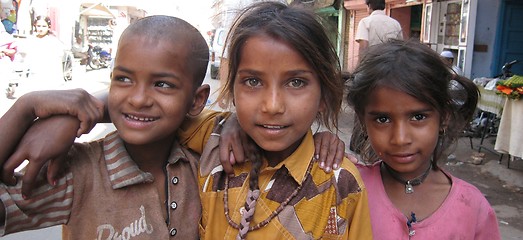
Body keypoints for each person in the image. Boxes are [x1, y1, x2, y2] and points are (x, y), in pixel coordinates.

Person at [0, 15, 211, 238]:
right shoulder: (78, 172)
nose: (138, 99)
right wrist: (25, 108)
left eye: (162, 84)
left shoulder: (203, 165)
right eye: (124, 79)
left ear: (197, 100)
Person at [178, 2, 371, 239]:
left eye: (296, 82)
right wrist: (232, 121)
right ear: (233, 90)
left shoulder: (341, 185)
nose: (272, 106)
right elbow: (154, 117)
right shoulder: (212, 138)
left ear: (324, 95)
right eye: (252, 81)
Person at [346, 39, 501, 239]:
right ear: (363, 120)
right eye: (382, 119)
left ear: (444, 117)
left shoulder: (473, 208)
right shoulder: (348, 188)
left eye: (418, 117)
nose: (400, 139)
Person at [16, 15, 66, 96]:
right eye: (39, 26)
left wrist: (60, 82)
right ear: (35, 26)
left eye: (44, 26)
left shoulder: (54, 43)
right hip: (34, 77)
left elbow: (57, 64)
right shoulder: (30, 41)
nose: (41, 28)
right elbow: (25, 60)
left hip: (49, 78)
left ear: (48, 27)